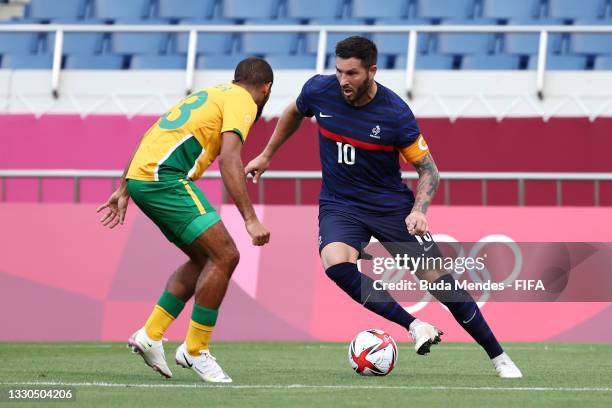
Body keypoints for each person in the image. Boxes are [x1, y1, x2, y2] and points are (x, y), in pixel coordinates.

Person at [245, 37, 522, 378]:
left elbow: (429, 170)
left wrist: (419, 210)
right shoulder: (320, 90)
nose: (343, 80)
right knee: (335, 263)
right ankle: (414, 324)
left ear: (371, 71)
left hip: (390, 207)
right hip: (340, 204)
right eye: (339, 71)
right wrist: (267, 154)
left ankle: (499, 356)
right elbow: (293, 112)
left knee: (441, 283)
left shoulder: (395, 113)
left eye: (352, 73)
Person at [97, 57, 273, 383]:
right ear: (266, 89)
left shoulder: (210, 94)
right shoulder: (243, 100)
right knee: (227, 254)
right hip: (164, 178)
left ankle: (151, 335)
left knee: (205, 258)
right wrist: (250, 219)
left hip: (144, 176)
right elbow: (230, 159)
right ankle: (195, 350)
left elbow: (152, 133)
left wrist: (124, 185)